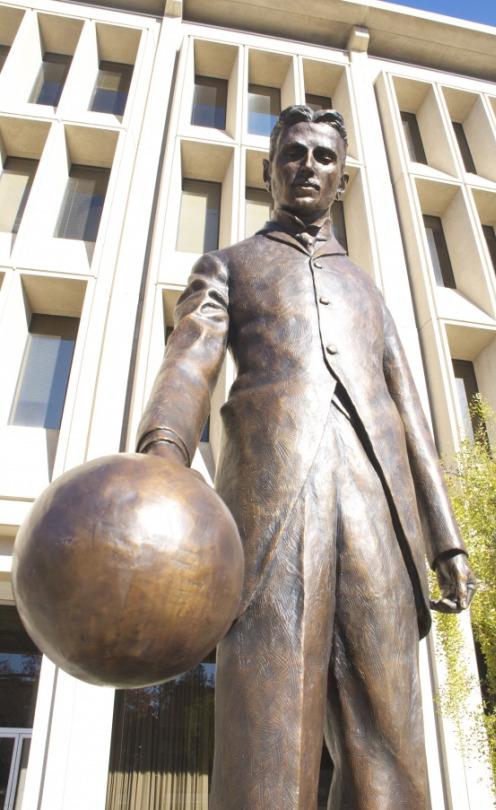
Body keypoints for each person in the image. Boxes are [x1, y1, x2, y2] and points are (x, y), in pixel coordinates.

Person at [136, 106, 476, 810]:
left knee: (390, 737)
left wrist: (446, 541)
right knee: (273, 727)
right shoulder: (229, 265)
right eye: (293, 154)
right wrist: (162, 458)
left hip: (376, 508)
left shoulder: (366, 289)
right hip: (273, 507)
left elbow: (410, 412)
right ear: (269, 171)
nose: (308, 167)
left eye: (323, 157)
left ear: (342, 180)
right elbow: (190, 362)